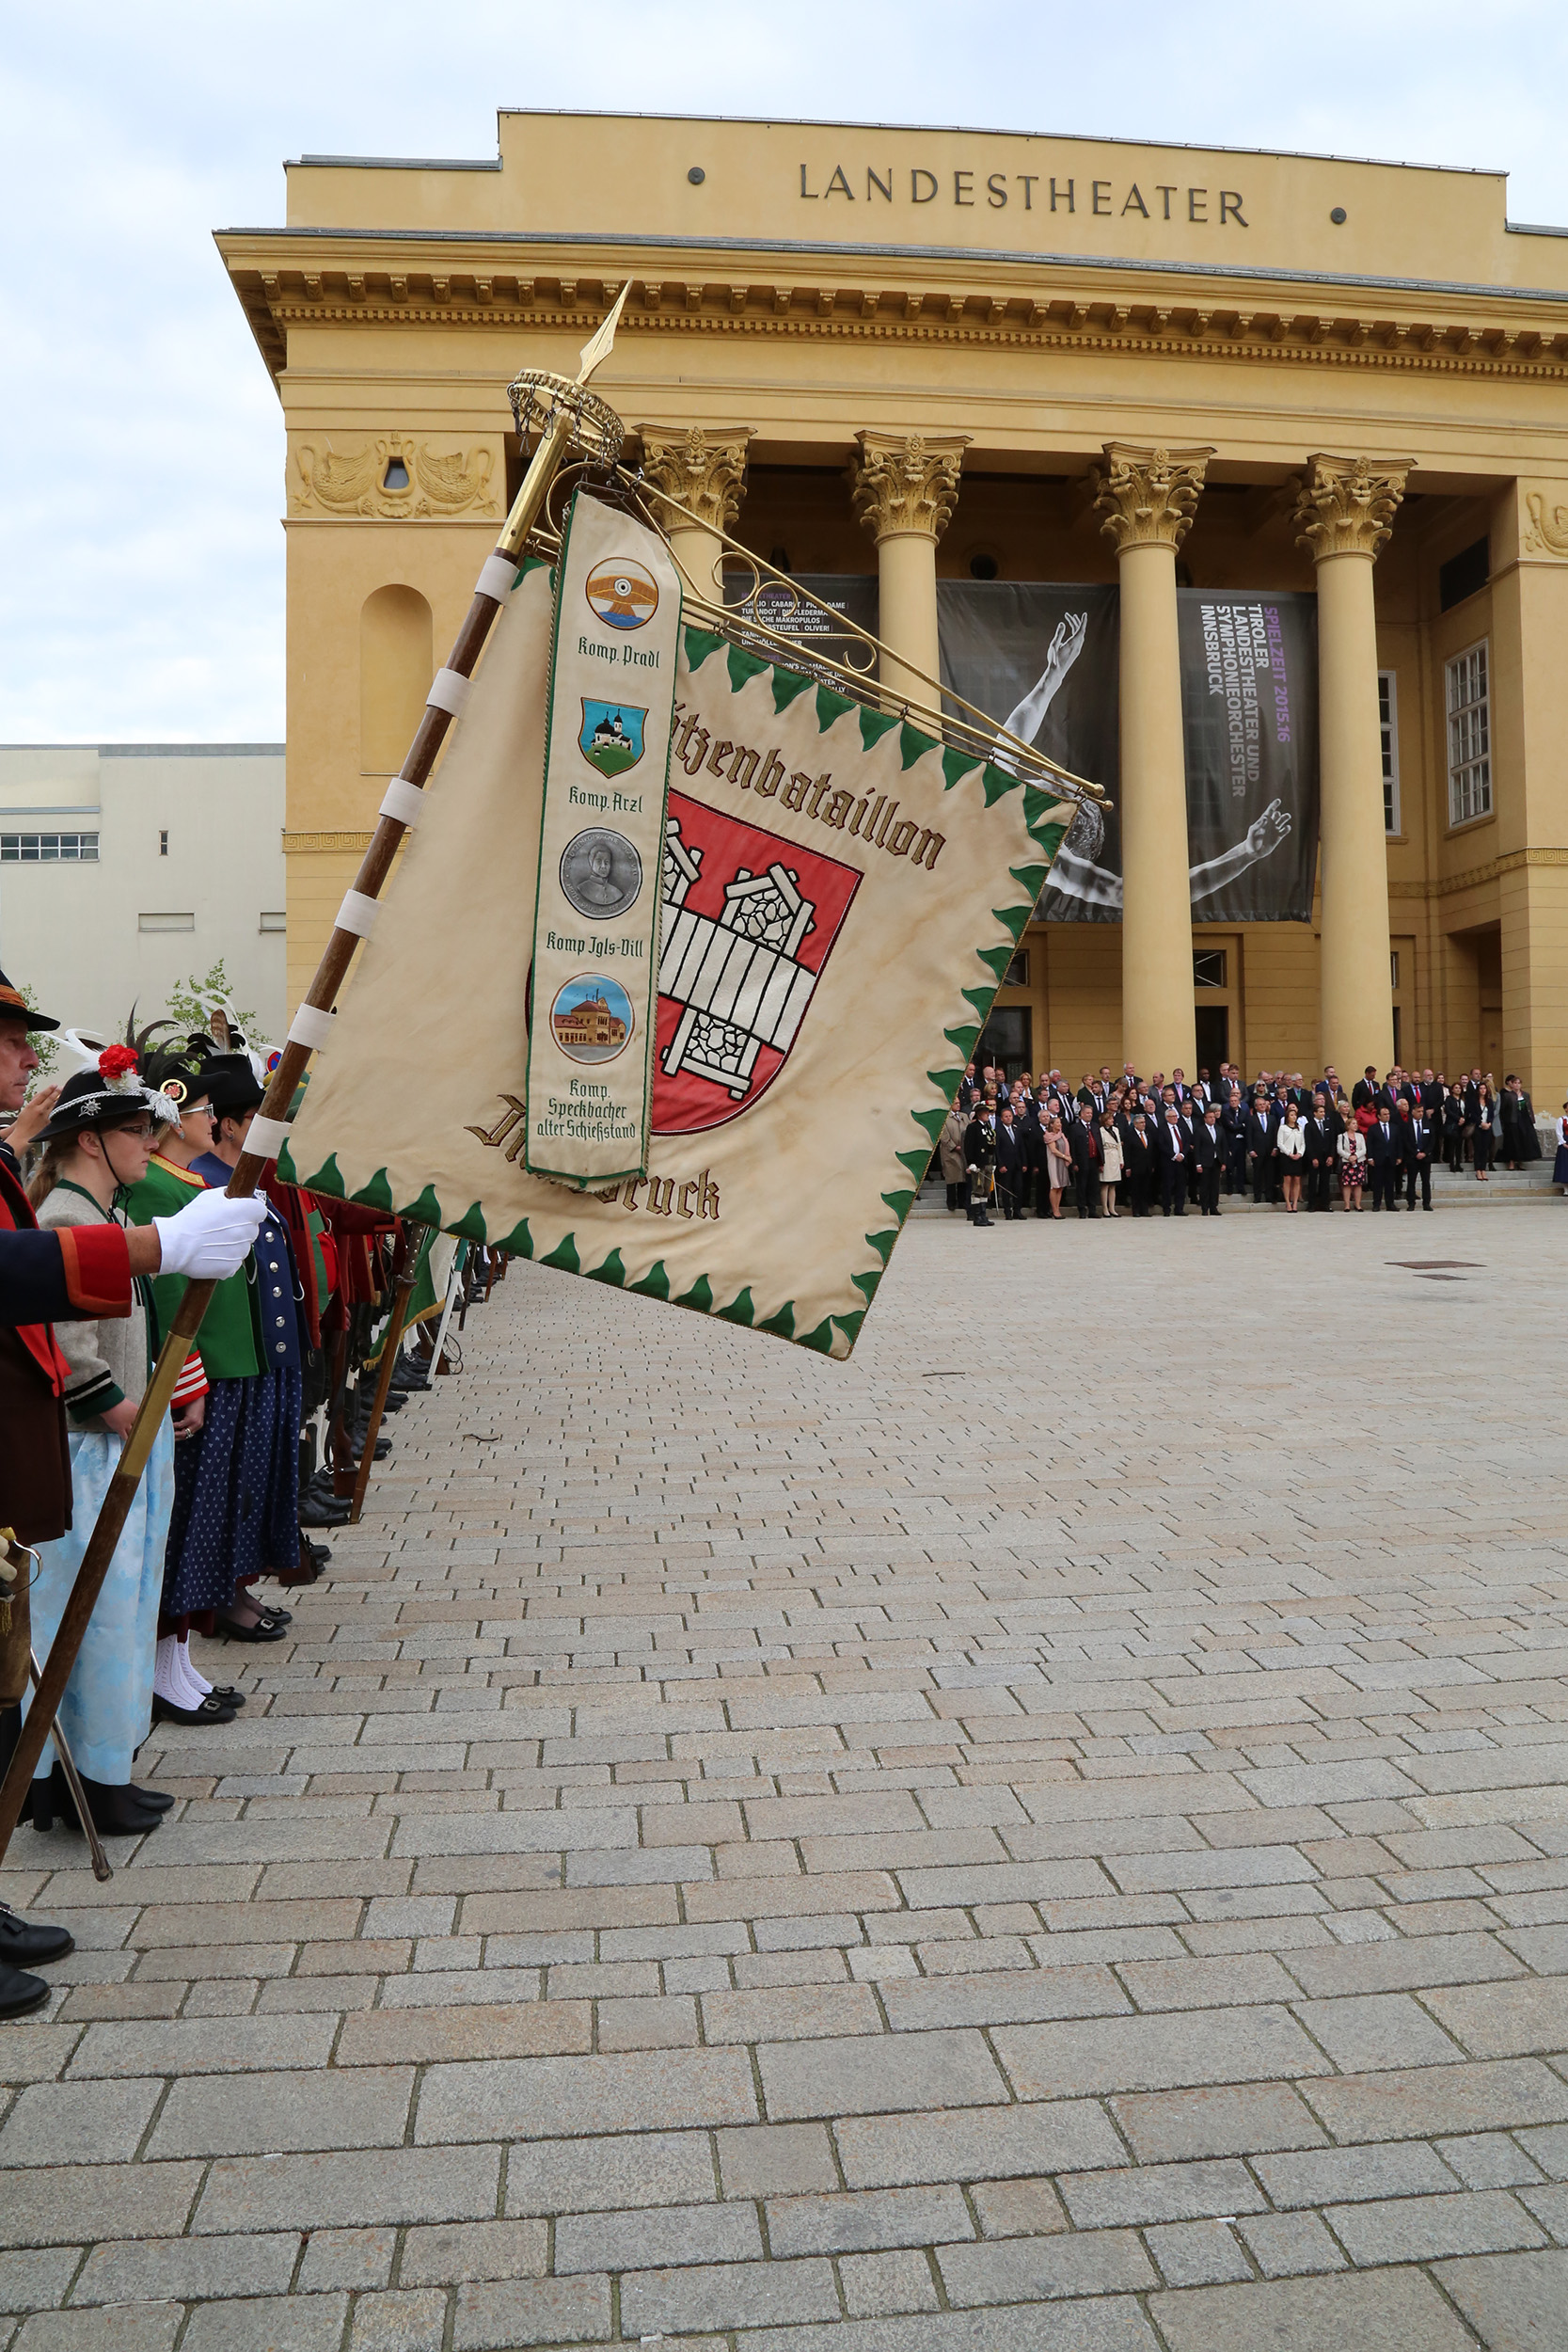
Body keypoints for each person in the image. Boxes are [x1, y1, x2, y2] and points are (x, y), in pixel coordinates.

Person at [24, 1063, 195, 1836]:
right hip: (87, 1451)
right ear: (90, 1140)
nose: (149, 1143)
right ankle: (80, 1781)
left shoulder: (100, 1211)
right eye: (135, 1130)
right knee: (91, 1619)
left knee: (116, 1614)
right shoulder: (67, 1218)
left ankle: (100, 1772)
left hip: (113, 1443)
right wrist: (120, 1407)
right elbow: (65, 1348)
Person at [962, 1100, 996, 1227]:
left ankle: (983, 1215)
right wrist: (971, 1162)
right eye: (986, 1112)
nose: (988, 1114)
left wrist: (993, 1162)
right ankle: (976, 1216)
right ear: (979, 1114)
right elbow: (968, 1146)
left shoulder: (987, 1127)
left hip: (988, 1162)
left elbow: (992, 1144)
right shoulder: (973, 1127)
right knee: (978, 1189)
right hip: (978, 1163)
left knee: (986, 1190)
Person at [1069, 1101, 1102, 1220]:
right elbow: (1072, 1146)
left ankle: (1092, 1210)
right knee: (1082, 1186)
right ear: (1081, 1114)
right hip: (1081, 1161)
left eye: (1091, 1113)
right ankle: (1082, 1210)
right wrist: (1074, 1163)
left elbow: (1099, 1144)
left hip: (1094, 1160)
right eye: (1087, 1113)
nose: (1089, 1115)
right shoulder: (1075, 1128)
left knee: (1093, 1186)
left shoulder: (1095, 1126)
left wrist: (1101, 1161)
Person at [1302, 1097, 1336, 1213]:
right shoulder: (1309, 1126)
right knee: (1312, 1181)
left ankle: (1325, 1204)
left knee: (1325, 1182)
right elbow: (1308, 1143)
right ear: (1315, 1113)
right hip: (1315, 1158)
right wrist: (1313, 1158)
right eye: (1320, 1112)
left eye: (1323, 1112)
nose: (1323, 1114)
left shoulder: (1328, 1124)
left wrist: (1331, 1156)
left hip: (1326, 1158)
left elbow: (1332, 1141)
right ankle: (1311, 1204)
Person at [1366, 1104, 1402, 1210]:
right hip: (1378, 1159)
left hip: (1391, 1158)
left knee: (1390, 1183)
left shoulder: (1395, 1127)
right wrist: (1370, 1157)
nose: (1387, 1116)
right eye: (1385, 1114)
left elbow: (1399, 1143)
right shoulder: (1373, 1128)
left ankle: (1390, 1204)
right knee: (1377, 1183)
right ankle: (1376, 1204)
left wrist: (1399, 1156)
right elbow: (1370, 1144)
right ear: (1379, 1116)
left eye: (1388, 1114)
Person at [1402, 1099, 1434, 1212]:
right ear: (1413, 1112)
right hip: (1412, 1157)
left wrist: (1425, 1153)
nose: (1421, 1113)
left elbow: (1432, 1141)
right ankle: (1411, 1203)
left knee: (1426, 1181)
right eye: (1418, 1111)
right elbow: (1406, 1141)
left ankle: (1426, 1203)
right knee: (1411, 1181)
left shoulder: (1428, 1125)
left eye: (1422, 1111)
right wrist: (1415, 1153)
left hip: (1425, 1157)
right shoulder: (1407, 1126)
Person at [937, 1102, 969, 1214]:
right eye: (956, 1103)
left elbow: (968, 1130)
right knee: (952, 1177)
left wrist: (965, 1146)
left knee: (963, 1177)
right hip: (950, 1152)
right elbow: (944, 1136)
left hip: (963, 1152)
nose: (958, 1105)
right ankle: (951, 1202)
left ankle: (962, 1201)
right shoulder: (944, 1117)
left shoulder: (964, 1116)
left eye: (959, 1103)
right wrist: (954, 1147)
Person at [1156, 1103, 1187, 1216]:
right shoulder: (1162, 1129)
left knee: (1181, 1186)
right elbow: (1161, 1145)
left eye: (1176, 1116)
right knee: (1167, 1186)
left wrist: (1182, 1154)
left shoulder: (1181, 1127)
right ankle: (1167, 1209)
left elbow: (1187, 1142)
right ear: (1167, 1118)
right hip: (1168, 1161)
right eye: (1172, 1116)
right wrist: (1173, 1155)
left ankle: (1179, 1209)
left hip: (1181, 1161)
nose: (1175, 1118)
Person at [993, 1104, 1023, 1220]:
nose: (1008, 1118)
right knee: (1006, 1189)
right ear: (1001, 1119)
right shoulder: (998, 1131)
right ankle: (1007, 1211)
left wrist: (1024, 1163)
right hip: (1005, 1165)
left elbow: (1021, 1148)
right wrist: (1000, 1164)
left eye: (1010, 1116)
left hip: (1017, 1164)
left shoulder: (1016, 1129)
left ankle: (1017, 1210)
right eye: (1006, 1116)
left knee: (1018, 1188)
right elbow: (997, 1150)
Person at [1246, 1092, 1276, 1205]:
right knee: (1257, 1175)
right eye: (1260, 1104)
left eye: (1264, 1104)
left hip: (1270, 1151)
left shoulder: (1272, 1118)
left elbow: (1275, 1134)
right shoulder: (1251, 1119)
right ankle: (1257, 1196)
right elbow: (1248, 1135)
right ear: (1256, 1107)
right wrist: (1250, 1150)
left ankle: (1269, 1196)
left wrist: (1275, 1147)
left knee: (1270, 1174)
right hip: (1257, 1151)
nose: (1263, 1106)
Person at [1194, 1102, 1224, 1216]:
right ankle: (1205, 1208)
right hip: (1205, 1162)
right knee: (1205, 1186)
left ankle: (1214, 1207)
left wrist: (1223, 1162)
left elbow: (1223, 1146)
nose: (1212, 1119)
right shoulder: (1200, 1131)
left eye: (1213, 1117)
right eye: (1210, 1117)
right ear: (1205, 1119)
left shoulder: (1219, 1129)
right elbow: (1197, 1148)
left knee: (1215, 1186)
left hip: (1216, 1161)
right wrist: (1198, 1164)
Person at [1275, 1102, 1306, 1212]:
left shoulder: (1299, 1128)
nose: (1294, 1117)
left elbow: (1303, 1143)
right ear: (1287, 1117)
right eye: (1291, 1115)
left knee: (1297, 1179)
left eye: (1295, 1115)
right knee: (1287, 1179)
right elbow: (1280, 1143)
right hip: (1287, 1156)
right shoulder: (1283, 1128)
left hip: (1297, 1156)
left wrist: (1300, 1153)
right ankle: (1288, 1203)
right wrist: (1289, 1154)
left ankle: (1295, 1203)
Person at [1041, 1114, 1071, 1219]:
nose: (1060, 1124)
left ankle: (1058, 1209)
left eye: (1060, 1122)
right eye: (1057, 1122)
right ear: (1052, 1125)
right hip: (1054, 1163)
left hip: (1062, 1163)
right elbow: (1053, 1150)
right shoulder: (1048, 1136)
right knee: (1055, 1186)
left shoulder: (1061, 1135)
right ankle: (1054, 1210)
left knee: (1061, 1187)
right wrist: (1065, 1157)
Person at [1337, 1110, 1367, 1209]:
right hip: (1347, 1162)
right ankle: (1347, 1205)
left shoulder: (1360, 1136)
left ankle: (1358, 1204)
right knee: (1347, 1184)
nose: (1355, 1125)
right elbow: (1339, 1149)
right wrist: (1349, 1156)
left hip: (1359, 1162)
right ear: (1348, 1125)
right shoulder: (1342, 1136)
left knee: (1358, 1184)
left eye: (1356, 1124)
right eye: (1353, 1124)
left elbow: (1364, 1149)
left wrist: (1356, 1156)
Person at [1469, 1080, 1497, 1181]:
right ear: (1478, 1090)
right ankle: (1478, 1170)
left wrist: (1489, 1123)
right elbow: (1473, 1115)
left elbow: (1491, 1114)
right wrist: (1481, 1123)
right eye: (1481, 1088)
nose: (1483, 1090)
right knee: (1478, 1149)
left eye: (1484, 1088)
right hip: (1478, 1127)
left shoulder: (1489, 1101)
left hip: (1487, 1128)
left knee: (1485, 1149)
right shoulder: (1474, 1101)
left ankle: (1483, 1169)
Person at [1098, 1110, 1123, 1216]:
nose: (1112, 1120)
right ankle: (1105, 1208)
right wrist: (1101, 1162)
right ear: (1105, 1120)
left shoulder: (1116, 1130)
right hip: (1106, 1157)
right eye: (1110, 1119)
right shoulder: (1100, 1131)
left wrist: (1121, 1160)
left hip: (1115, 1157)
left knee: (1113, 1185)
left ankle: (1112, 1208)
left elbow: (1119, 1145)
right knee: (1105, 1184)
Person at [1554, 1102, 1568, 1195]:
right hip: (1565, 1144)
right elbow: (1559, 1132)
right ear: (1566, 1109)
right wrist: (1563, 1143)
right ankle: (1566, 1189)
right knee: (1564, 1166)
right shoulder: (1561, 1119)